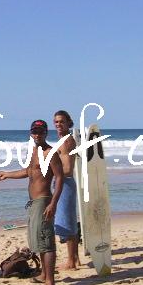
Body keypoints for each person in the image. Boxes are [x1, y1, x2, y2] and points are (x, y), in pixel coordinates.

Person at [0, 120, 64, 285]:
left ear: (46, 133)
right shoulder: (34, 151)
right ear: (31, 133)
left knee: (46, 242)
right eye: (35, 132)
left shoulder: (50, 153)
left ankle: (50, 284)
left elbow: (60, 178)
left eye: (40, 131)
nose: (37, 135)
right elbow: (28, 171)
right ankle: (44, 275)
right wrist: (7, 174)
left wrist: (53, 203)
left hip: (44, 201)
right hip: (33, 202)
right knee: (38, 241)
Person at [52, 110, 80, 270]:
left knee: (66, 222)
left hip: (65, 184)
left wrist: (52, 173)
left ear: (68, 123)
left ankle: (71, 262)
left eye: (61, 121)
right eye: (56, 122)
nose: (58, 124)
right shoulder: (62, 140)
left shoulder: (67, 141)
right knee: (67, 221)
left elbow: (68, 169)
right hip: (63, 183)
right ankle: (74, 258)